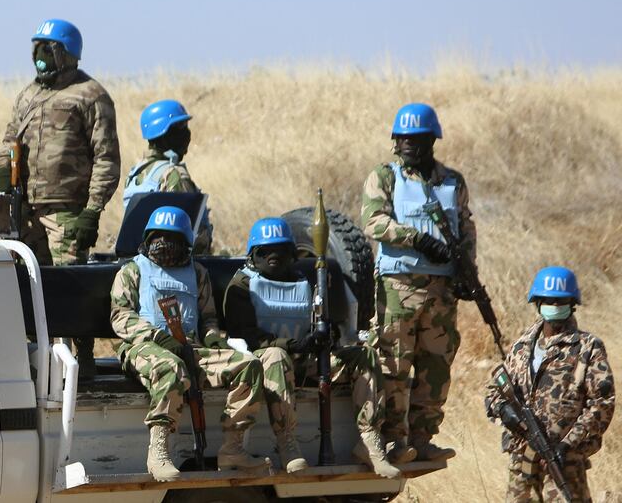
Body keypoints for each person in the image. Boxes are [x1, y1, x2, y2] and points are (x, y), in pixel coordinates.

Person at [223, 218, 404, 478]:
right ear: (253, 255)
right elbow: (249, 337)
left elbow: (319, 323)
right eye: (265, 252)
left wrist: (323, 336)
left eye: (281, 251)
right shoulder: (241, 285)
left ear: (292, 254)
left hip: (306, 361)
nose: (273, 257)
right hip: (264, 363)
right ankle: (286, 441)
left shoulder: (305, 283)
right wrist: (294, 344)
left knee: (362, 355)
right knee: (276, 355)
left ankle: (369, 440)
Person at [0, 18, 121, 377]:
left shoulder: (91, 95)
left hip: (68, 211)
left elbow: (107, 158)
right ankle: (36, 360)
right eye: (36, 47)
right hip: (25, 210)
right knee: (27, 284)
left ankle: (80, 361)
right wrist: (3, 172)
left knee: (68, 285)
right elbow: (8, 143)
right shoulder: (27, 95)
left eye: (47, 48)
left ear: (66, 54)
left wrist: (92, 211)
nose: (39, 54)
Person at [109, 206, 267, 482]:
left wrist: (217, 340)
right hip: (143, 346)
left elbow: (207, 319)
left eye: (173, 238)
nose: (165, 244)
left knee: (249, 365)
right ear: (148, 239)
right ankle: (158, 450)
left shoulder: (198, 273)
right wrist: (157, 337)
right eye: (159, 237)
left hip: (189, 346)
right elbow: (120, 316)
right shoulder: (132, 270)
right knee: (171, 367)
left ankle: (233, 447)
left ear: (186, 242)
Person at [361, 102, 476, 461]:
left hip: (441, 291)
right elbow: (372, 221)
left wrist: (466, 272)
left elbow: (466, 228)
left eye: (418, 139)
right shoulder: (385, 177)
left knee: (436, 366)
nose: (410, 145)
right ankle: (394, 438)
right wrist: (415, 237)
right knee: (393, 365)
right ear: (395, 141)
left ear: (432, 141)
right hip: (399, 288)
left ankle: (422, 437)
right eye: (404, 139)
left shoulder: (452, 181)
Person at [485, 266, 615, 502]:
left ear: (572, 303)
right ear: (537, 302)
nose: (554, 306)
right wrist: (506, 413)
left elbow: (602, 404)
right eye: (548, 300)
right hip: (521, 459)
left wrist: (567, 444)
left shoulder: (587, 347)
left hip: (564, 462)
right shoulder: (521, 346)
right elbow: (495, 391)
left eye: (560, 301)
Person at [122, 99, 213, 253]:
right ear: (163, 132)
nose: (187, 133)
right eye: (180, 127)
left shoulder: (136, 173)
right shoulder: (173, 174)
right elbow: (189, 234)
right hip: (176, 266)